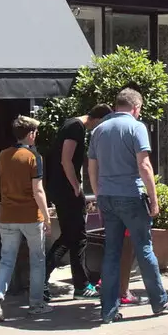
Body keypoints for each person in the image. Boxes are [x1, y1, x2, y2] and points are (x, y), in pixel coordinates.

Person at [87, 89, 168, 325]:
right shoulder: (136, 127)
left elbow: (92, 167)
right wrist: (154, 199)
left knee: (111, 252)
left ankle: (108, 311)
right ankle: (159, 300)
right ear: (136, 108)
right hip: (132, 196)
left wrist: (98, 194)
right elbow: (144, 165)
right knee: (144, 248)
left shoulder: (99, 130)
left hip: (107, 196)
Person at [0, 115, 51, 321]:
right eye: (36, 132)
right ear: (30, 134)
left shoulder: (2, 155)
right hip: (31, 216)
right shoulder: (34, 157)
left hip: (7, 215)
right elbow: (38, 190)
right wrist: (48, 217)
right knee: (37, 260)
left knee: (7, 260)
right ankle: (36, 304)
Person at [46, 104, 111, 299]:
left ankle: (78, 285)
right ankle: (78, 286)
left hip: (60, 188)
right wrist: (76, 186)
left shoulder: (72, 125)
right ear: (98, 119)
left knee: (72, 237)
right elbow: (66, 160)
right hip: (66, 189)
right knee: (76, 236)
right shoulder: (76, 128)